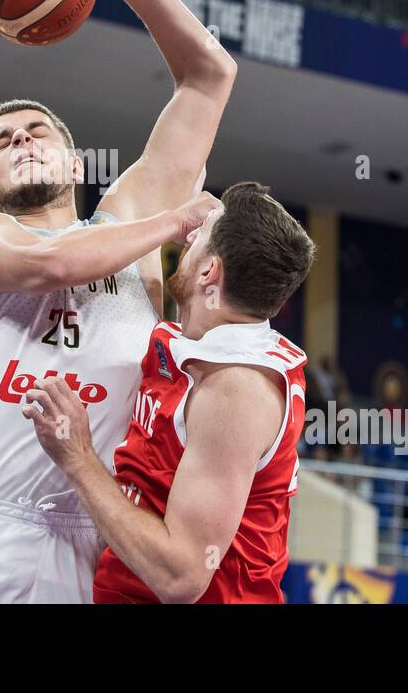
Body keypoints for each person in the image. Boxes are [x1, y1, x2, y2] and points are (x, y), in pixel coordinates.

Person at [0, 0, 239, 604]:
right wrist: (177, 220)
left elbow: (209, 75)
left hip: (89, 536)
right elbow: (50, 264)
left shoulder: (127, 219)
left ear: (77, 165)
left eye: (38, 131)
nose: (22, 140)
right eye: (3, 141)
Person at [24, 182, 315, 603]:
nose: (189, 234)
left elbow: (181, 577)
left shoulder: (235, 389)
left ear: (208, 272)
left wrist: (77, 458)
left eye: (203, 231)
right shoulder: (189, 338)